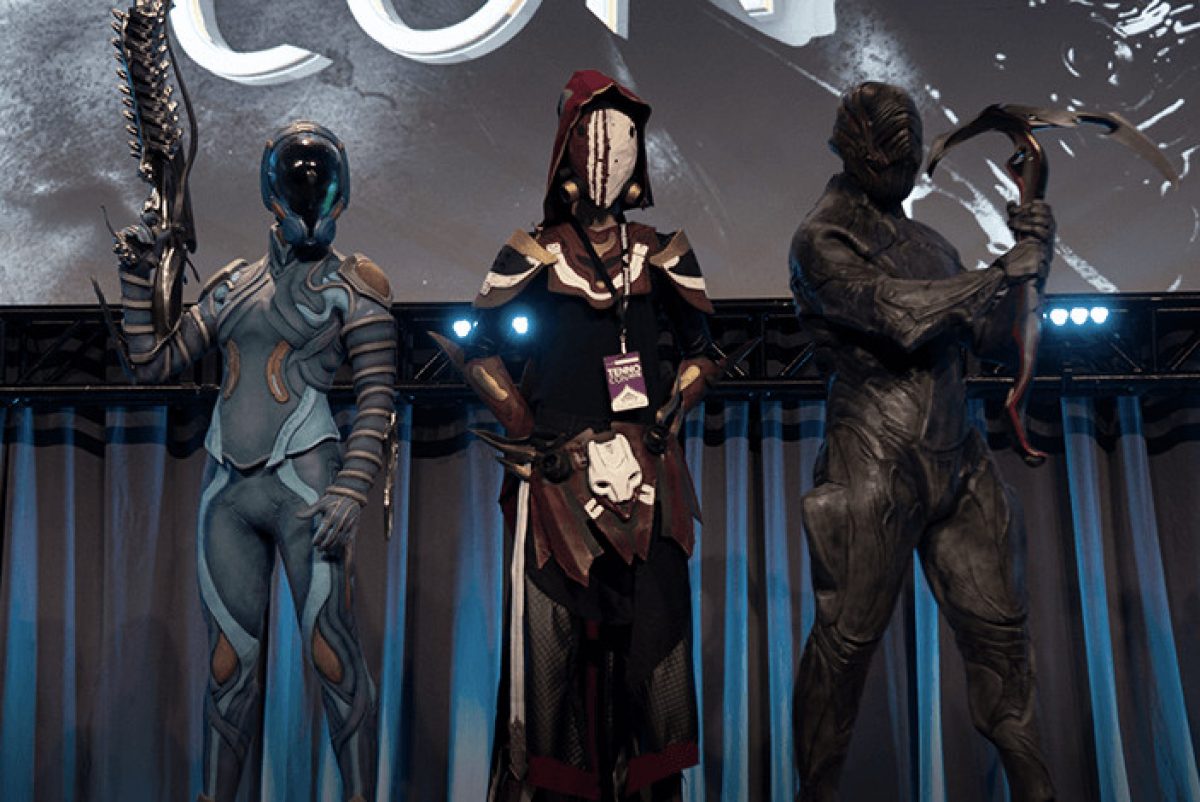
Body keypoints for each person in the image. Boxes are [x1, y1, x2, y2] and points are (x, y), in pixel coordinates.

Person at [440, 69, 722, 801]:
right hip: (556, 473)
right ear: (566, 146)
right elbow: (478, 351)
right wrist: (524, 426)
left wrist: (673, 407)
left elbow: (705, 351)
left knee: (655, 652)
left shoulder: (662, 252)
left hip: (650, 470)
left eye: (622, 137)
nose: (607, 152)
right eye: (594, 135)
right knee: (553, 663)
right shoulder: (534, 253)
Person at [789, 82, 1057, 802]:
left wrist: (1034, 254)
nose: (904, 169)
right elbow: (896, 315)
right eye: (893, 156)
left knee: (1003, 641)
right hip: (872, 458)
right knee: (844, 649)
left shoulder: (933, 244)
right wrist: (996, 273)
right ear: (856, 150)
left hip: (957, 457)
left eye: (911, 157)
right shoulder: (823, 237)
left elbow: (991, 334)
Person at [114, 121, 395, 802]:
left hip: (311, 487)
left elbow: (379, 399)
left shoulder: (356, 287)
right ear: (274, 193)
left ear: (338, 193)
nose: (309, 196)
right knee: (227, 666)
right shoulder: (232, 286)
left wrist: (353, 488)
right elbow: (152, 364)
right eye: (298, 182)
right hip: (230, 493)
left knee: (333, 655)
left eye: (319, 183)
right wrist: (136, 275)